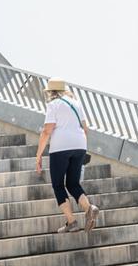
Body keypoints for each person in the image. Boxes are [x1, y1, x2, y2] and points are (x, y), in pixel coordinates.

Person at [35, 78, 100, 233]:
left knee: (58, 185)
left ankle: (72, 222)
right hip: (80, 145)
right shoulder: (76, 103)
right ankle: (89, 208)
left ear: (51, 92)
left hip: (60, 148)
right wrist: (80, 148)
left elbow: (47, 131)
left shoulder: (53, 105)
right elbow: (85, 129)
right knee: (73, 184)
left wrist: (38, 156)